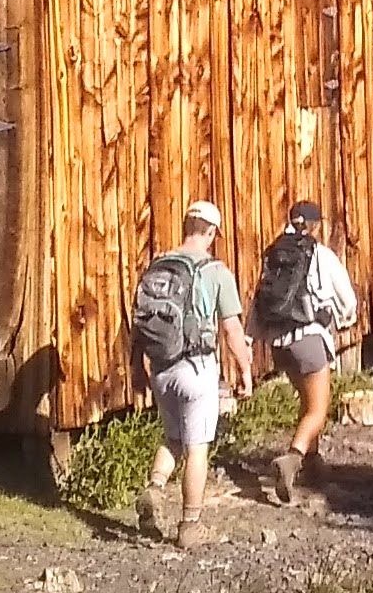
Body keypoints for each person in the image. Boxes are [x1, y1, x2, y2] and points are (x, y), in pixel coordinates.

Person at [130, 199, 253, 547]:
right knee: (197, 447)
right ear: (212, 232)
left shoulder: (158, 265)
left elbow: (139, 322)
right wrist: (245, 371)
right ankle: (190, 525)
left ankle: (154, 489)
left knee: (173, 439)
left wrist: (137, 369)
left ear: (186, 224)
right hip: (196, 368)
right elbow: (231, 330)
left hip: (162, 369)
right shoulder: (216, 272)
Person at [250, 199, 360, 503]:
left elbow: (261, 299)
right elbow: (348, 300)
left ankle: (313, 464)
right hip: (310, 340)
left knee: (307, 402)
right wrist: (345, 318)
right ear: (314, 225)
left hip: (280, 344)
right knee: (318, 411)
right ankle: (293, 458)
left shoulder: (275, 254)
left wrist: (251, 340)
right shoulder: (320, 254)